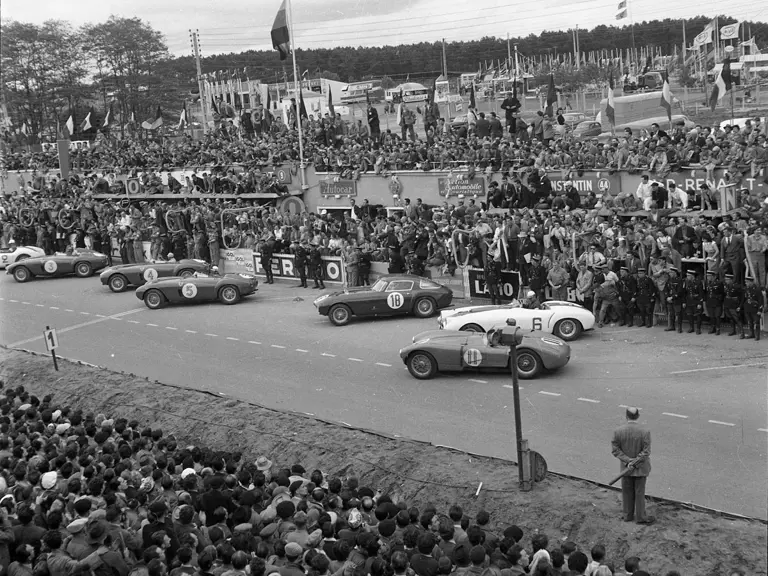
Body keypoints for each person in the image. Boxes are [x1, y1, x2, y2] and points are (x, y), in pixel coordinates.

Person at [611, 407, 654, 525]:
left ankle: (627, 515)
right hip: (640, 468)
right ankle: (640, 517)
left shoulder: (618, 431)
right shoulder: (645, 432)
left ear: (626, 416)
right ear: (638, 416)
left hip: (626, 469)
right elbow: (646, 452)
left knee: (627, 491)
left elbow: (615, 450)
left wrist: (628, 461)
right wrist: (635, 462)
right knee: (640, 493)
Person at [682, 269, 704, 334]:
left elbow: (701, 293)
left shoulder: (698, 282)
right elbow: (684, 293)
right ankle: (691, 327)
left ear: (692, 276)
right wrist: (684, 302)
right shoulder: (686, 282)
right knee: (689, 314)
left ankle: (698, 328)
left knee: (698, 315)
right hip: (689, 300)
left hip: (696, 301)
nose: (687, 277)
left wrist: (700, 303)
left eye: (688, 275)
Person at [722, 273, 744, 338]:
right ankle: (733, 330)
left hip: (734, 305)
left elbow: (742, 297)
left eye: (727, 279)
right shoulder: (726, 286)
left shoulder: (737, 286)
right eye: (725, 279)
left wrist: (740, 306)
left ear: (731, 280)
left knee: (737, 318)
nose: (726, 281)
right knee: (730, 318)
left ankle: (742, 332)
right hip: (727, 304)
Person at [664, 266, 684, 333]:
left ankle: (679, 327)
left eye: (671, 272)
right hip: (669, 300)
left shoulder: (679, 280)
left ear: (675, 273)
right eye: (669, 272)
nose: (670, 274)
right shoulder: (669, 280)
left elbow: (680, 291)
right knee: (671, 313)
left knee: (678, 314)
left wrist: (672, 297)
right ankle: (671, 326)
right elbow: (666, 289)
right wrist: (667, 297)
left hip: (677, 299)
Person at [743, 275, 763, 340]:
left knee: (756, 322)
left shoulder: (757, 289)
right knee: (749, 322)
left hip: (755, 309)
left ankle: (757, 335)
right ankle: (751, 334)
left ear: (751, 282)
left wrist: (760, 310)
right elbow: (745, 298)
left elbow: (760, 300)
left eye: (747, 282)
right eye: (745, 282)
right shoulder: (746, 289)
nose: (746, 283)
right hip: (748, 308)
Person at [704, 269, 725, 334]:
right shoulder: (707, 283)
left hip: (717, 302)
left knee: (717, 316)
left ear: (713, 276)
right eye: (707, 276)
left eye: (709, 276)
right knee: (711, 316)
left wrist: (719, 299)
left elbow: (722, 293)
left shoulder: (719, 283)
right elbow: (706, 292)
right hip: (709, 302)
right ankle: (712, 327)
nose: (708, 278)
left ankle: (718, 328)